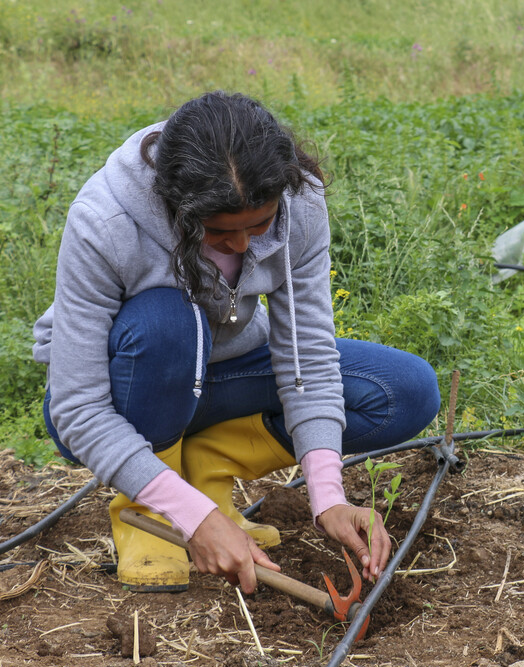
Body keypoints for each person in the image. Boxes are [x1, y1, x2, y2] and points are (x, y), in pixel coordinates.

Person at [32, 90, 441, 594]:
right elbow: (78, 408)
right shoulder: (106, 222)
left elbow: (307, 359)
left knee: (404, 389)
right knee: (166, 321)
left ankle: (204, 469)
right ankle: (150, 507)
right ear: (178, 209)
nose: (244, 246)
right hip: (129, 390)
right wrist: (196, 521)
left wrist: (328, 498)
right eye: (220, 233)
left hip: (220, 373)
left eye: (260, 225)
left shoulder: (301, 205)